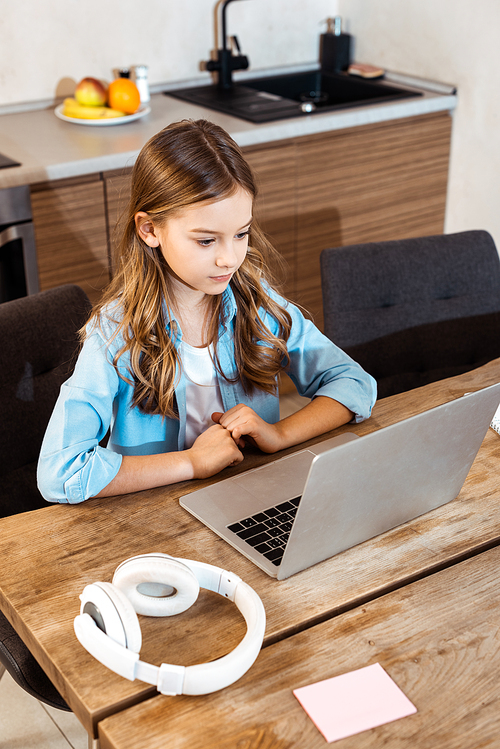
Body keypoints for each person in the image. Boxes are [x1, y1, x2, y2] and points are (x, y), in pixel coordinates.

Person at [37, 119, 376, 504]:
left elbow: (355, 385)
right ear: (150, 230)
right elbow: (60, 472)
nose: (229, 259)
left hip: (253, 500)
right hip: (156, 523)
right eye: (205, 240)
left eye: (241, 234)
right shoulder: (115, 334)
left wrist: (278, 433)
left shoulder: (258, 303)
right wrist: (193, 463)